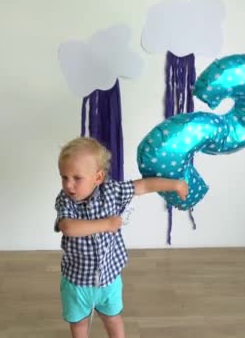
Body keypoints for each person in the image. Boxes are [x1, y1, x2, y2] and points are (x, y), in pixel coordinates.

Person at [54, 137, 188, 338]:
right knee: (79, 324)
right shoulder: (65, 200)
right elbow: (68, 227)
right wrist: (106, 224)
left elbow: (143, 186)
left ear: (98, 178)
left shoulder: (112, 191)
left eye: (77, 178)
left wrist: (175, 184)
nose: (69, 185)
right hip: (77, 282)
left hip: (109, 279)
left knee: (113, 318)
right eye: (64, 177)